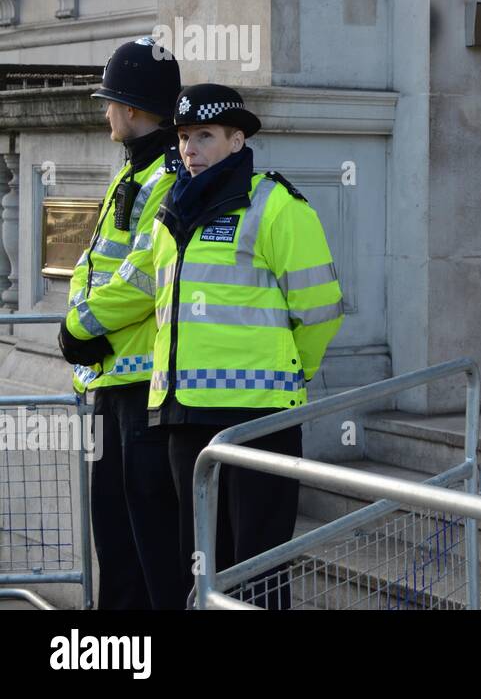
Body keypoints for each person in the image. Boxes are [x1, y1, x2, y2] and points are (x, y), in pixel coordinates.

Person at [109, 83, 344, 608]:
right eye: (185, 137)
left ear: (237, 141)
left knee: (257, 566)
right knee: (201, 565)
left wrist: (292, 373)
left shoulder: (276, 206)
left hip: (257, 416)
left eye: (205, 136)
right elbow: (146, 296)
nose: (190, 149)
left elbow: (321, 309)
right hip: (182, 416)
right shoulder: (170, 211)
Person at [58, 36, 187, 610]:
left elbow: (140, 278)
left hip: (142, 391)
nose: (104, 110)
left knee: (149, 549)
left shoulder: (166, 175)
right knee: (116, 542)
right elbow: (92, 264)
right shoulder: (133, 169)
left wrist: (79, 330)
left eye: (110, 101)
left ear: (132, 109)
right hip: (112, 386)